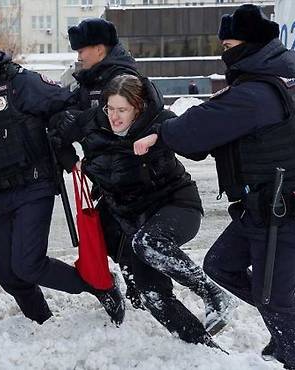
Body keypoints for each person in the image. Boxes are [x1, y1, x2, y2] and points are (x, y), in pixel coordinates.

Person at [132, 5, 295, 370]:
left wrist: (159, 132)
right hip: (263, 207)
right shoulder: (269, 80)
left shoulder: (256, 92)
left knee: (273, 297)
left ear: (252, 44)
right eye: (222, 44)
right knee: (221, 266)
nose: (225, 52)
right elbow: (212, 130)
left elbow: (200, 127)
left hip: (280, 211)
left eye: (230, 44)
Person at [0, 25, 125, 326]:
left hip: (34, 184)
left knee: (28, 265)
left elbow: (65, 105)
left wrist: (68, 144)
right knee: (9, 276)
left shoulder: (19, 82)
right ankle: (42, 323)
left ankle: (100, 287)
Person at [49, 74, 231, 348]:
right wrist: (69, 160)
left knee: (149, 243)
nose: (115, 117)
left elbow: (198, 148)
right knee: (152, 293)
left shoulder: (160, 119)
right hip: (131, 219)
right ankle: (203, 348)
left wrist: (159, 135)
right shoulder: (92, 122)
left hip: (176, 205)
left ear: (139, 107)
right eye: (110, 108)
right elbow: (56, 131)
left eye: (122, 110)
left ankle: (214, 295)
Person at [66, 17, 149, 309]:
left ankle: (148, 294)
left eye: (82, 50)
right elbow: (68, 111)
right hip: (108, 178)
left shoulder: (123, 78)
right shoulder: (93, 80)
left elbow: (131, 120)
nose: (78, 56)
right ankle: (140, 291)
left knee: (128, 239)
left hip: (129, 177)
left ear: (99, 49)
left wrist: (79, 121)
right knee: (112, 237)